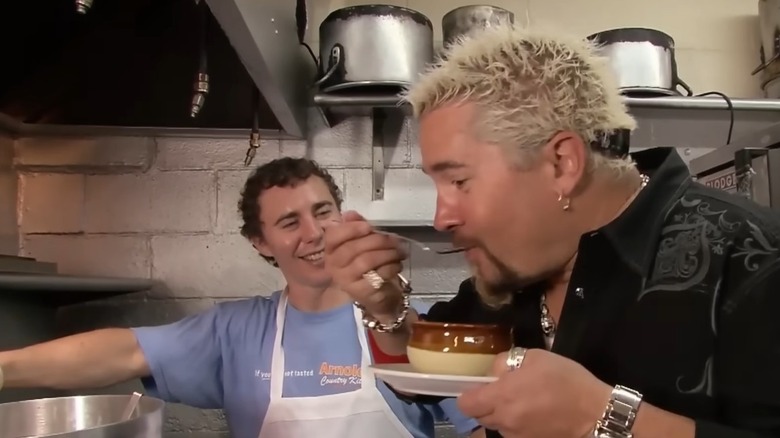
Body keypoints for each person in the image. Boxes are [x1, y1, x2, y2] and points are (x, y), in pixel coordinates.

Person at [322, 25, 780, 438]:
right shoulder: (515, 266)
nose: (442, 218)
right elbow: (424, 378)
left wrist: (600, 416)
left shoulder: (755, 261)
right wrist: (387, 309)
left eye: (459, 181)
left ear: (562, 163)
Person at [0, 157, 483, 438]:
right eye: (290, 222)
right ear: (260, 242)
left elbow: (483, 422)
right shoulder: (234, 331)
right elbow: (122, 351)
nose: (314, 233)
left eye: (323, 212)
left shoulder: (404, 322)